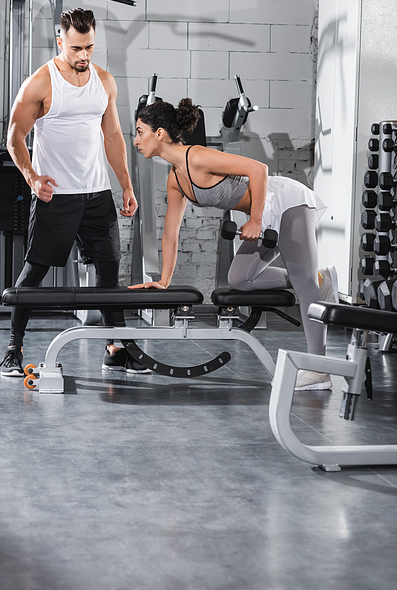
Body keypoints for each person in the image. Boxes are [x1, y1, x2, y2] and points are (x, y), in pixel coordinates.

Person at [130, 98, 339, 391]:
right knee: (240, 278)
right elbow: (170, 234)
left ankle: (319, 371)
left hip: (286, 202)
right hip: (266, 212)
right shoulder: (176, 178)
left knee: (304, 286)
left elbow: (259, 170)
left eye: (140, 132)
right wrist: (164, 281)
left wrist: (254, 220)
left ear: (160, 133)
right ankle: (318, 281)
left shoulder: (198, 158)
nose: (137, 140)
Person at [0, 7, 149, 377]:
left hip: (97, 194)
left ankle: (114, 348)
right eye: (77, 48)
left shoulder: (104, 81)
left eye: (90, 48)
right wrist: (33, 178)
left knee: (109, 274)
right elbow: (14, 136)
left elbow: (113, 136)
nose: (84, 56)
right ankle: (13, 348)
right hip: (56, 196)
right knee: (34, 273)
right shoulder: (41, 82)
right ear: (60, 40)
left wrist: (126, 185)